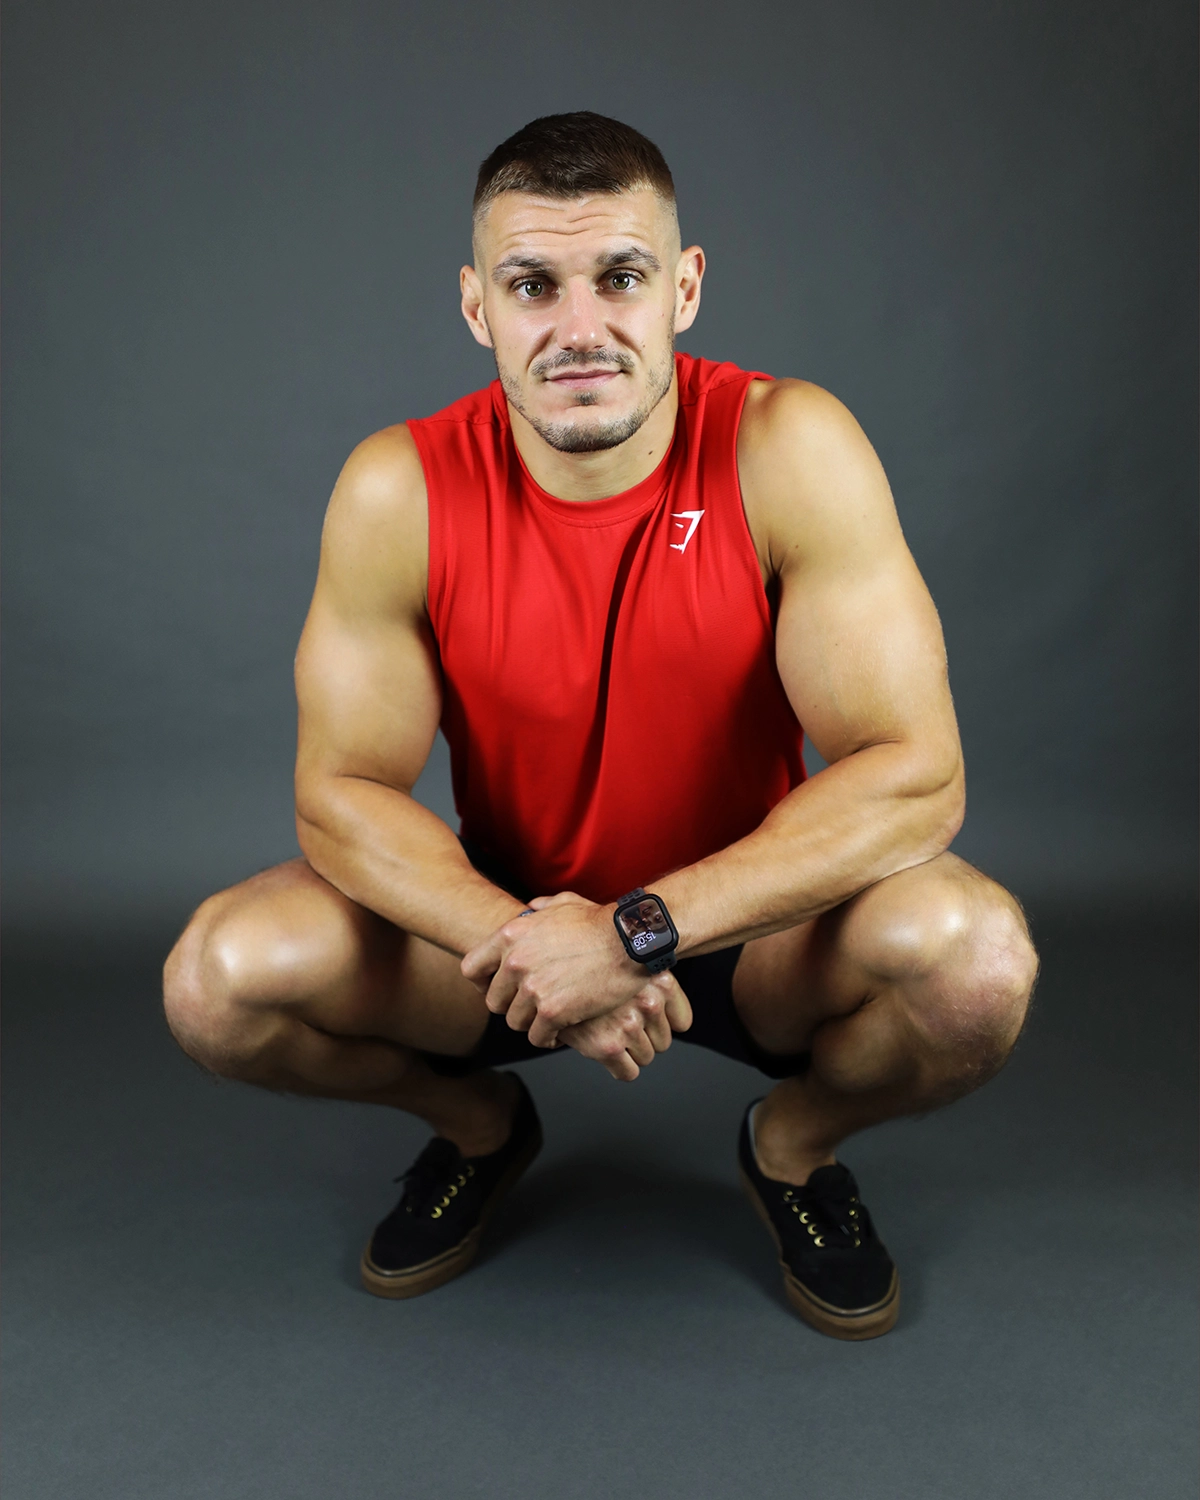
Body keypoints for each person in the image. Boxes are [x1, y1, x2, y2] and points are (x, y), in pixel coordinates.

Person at [163, 112, 1038, 1340]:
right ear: (479, 309)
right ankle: (479, 1129)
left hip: (754, 928)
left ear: (683, 286)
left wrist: (634, 934)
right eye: (533, 285)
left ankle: (789, 1148)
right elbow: (339, 796)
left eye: (621, 277)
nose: (581, 329)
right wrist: (537, 946)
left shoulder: (788, 448)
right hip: (499, 936)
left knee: (977, 962)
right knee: (218, 980)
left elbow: (915, 780)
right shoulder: (397, 487)